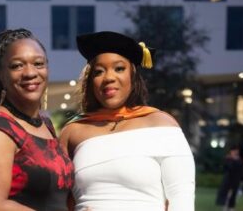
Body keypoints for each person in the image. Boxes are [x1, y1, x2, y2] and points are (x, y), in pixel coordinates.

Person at [60, 31, 195, 211]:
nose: (109, 78)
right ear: (90, 81)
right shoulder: (73, 132)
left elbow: (181, 199)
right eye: (99, 71)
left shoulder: (162, 125)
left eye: (119, 68)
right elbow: (57, 198)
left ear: (132, 76)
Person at [0, 28, 74, 211]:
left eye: (38, 63)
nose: (30, 73)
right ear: (1, 75)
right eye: (17, 65)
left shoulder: (46, 125)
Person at [215, 145, 243, 211]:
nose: (236, 152)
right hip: (228, 180)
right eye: (234, 151)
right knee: (226, 196)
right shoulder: (228, 159)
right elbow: (228, 168)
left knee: (234, 196)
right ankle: (225, 208)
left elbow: (241, 169)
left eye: (237, 151)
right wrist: (232, 159)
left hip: (236, 180)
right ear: (231, 151)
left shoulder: (239, 159)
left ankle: (232, 208)